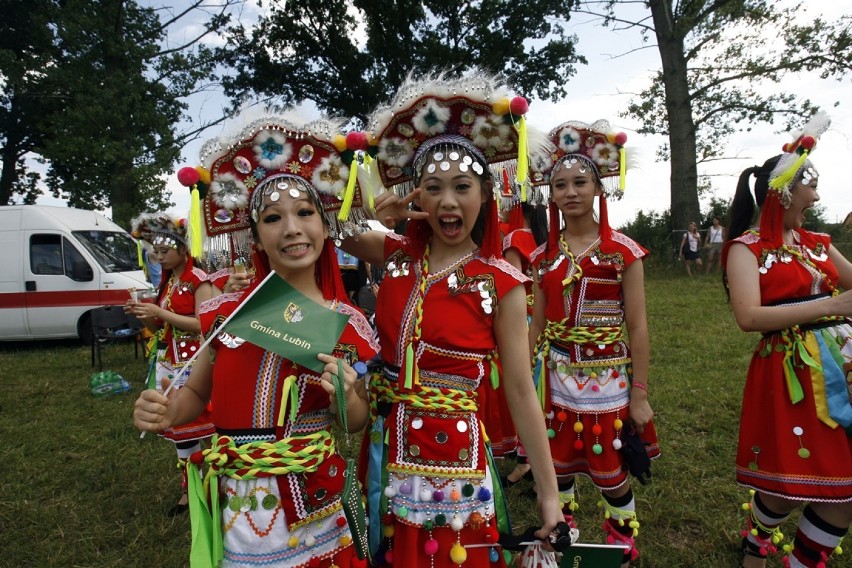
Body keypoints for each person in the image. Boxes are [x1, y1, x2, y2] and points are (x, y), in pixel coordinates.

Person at [133, 112, 379, 568]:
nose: (291, 229)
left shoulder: (346, 321)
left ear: (326, 227)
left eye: (306, 213)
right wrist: (169, 410)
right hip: (241, 504)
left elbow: (355, 422)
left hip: (315, 502)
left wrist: (347, 396)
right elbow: (196, 392)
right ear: (257, 239)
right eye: (272, 218)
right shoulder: (226, 313)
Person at [342, 71, 562, 567]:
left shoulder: (501, 280)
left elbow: (522, 390)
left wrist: (549, 494)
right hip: (386, 443)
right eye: (432, 188)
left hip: (453, 458)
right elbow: (338, 236)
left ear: (485, 195)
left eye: (461, 187)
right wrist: (382, 210)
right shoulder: (396, 254)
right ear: (417, 196)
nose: (446, 201)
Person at [722, 112, 852, 568]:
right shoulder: (747, 248)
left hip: (843, 367)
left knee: (842, 486)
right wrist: (831, 307)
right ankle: (758, 538)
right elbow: (749, 316)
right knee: (788, 483)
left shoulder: (817, 241)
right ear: (785, 191)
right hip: (791, 369)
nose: (816, 195)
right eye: (809, 185)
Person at [528, 120, 659, 567]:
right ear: (550, 195)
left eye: (580, 182)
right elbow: (536, 324)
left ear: (599, 187)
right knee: (557, 468)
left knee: (612, 474)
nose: (570, 192)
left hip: (607, 381)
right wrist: (525, 382)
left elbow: (638, 327)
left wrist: (638, 395)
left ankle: (622, 546)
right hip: (555, 376)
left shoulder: (624, 252)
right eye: (560, 184)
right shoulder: (541, 257)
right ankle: (566, 545)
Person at [128, 213, 215, 516]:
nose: (160, 257)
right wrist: (146, 314)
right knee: (181, 428)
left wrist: (161, 314)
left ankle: (213, 483)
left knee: (204, 426)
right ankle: (190, 487)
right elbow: (160, 324)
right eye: (156, 252)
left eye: (165, 251)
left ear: (183, 248)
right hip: (169, 361)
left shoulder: (198, 281)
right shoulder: (169, 283)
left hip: (195, 363)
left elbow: (206, 325)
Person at [498, 200, 549, 486]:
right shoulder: (547, 238)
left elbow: (512, 282)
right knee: (539, 394)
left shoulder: (514, 238)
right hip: (545, 322)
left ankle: (525, 464)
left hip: (522, 323)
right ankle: (531, 463)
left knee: (523, 393)